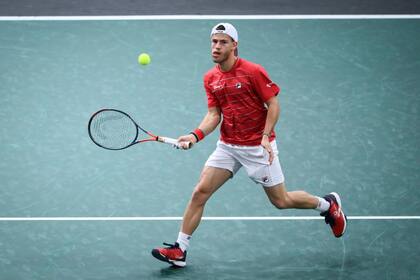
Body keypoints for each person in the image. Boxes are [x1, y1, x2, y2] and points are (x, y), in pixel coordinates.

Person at [151, 23, 347, 267]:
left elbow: (273, 105)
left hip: (257, 147)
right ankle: (180, 249)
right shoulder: (210, 78)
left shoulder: (253, 71)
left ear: (235, 45)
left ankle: (328, 205)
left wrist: (265, 136)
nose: (217, 46)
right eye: (214, 41)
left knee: (281, 201)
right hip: (228, 146)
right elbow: (214, 114)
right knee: (200, 192)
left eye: (223, 42)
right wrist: (195, 135)